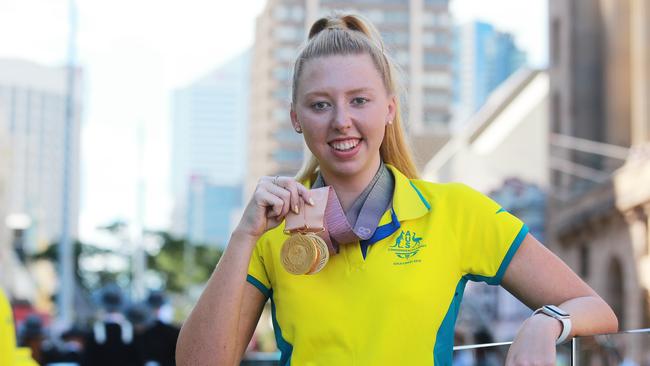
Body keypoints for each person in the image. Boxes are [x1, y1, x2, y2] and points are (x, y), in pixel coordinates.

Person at [176, 13, 618, 366]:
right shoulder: (270, 228)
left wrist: (547, 322)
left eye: (359, 100)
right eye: (320, 104)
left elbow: (597, 309)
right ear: (296, 117)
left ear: (389, 108)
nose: (341, 120)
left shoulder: (456, 211)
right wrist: (243, 237)